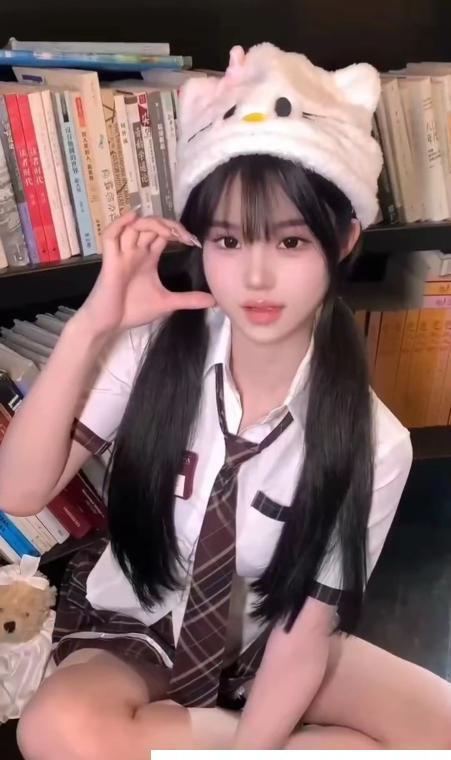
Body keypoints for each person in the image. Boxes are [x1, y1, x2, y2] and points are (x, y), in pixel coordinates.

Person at [1, 42, 451, 757]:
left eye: (291, 242)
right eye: (229, 240)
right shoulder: (155, 351)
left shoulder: (372, 440)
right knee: (54, 731)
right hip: (140, 627)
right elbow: (18, 489)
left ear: (344, 240)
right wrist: (93, 325)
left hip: (269, 638)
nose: (256, 277)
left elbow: (303, 637)